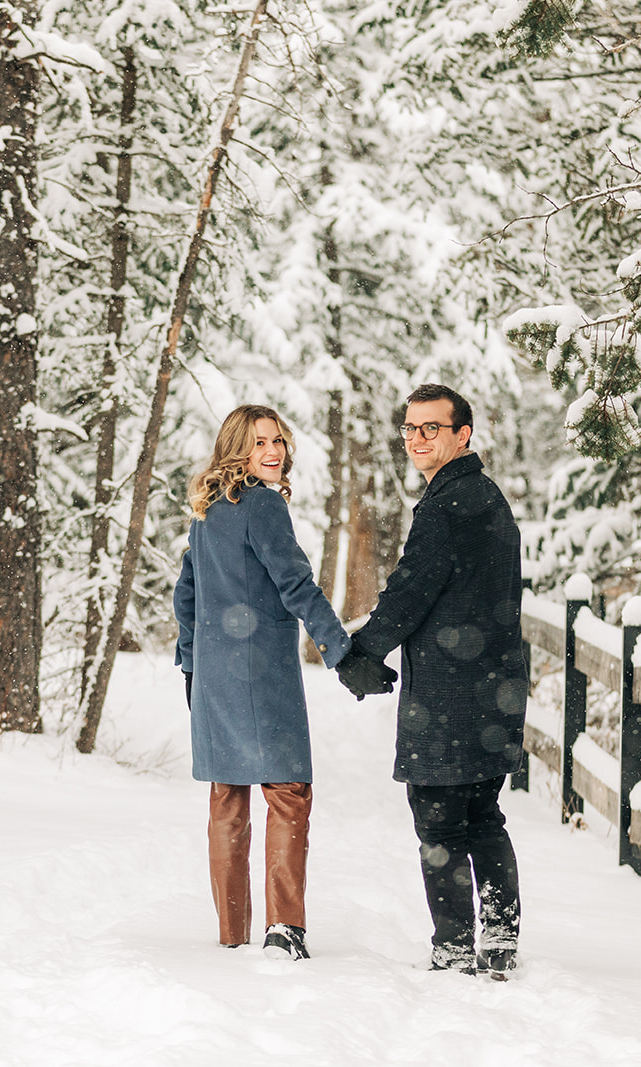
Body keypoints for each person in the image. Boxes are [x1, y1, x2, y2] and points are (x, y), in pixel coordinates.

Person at [336, 383, 527, 979]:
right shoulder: (484, 497)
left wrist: (360, 654)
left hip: (453, 693)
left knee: (440, 820)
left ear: (462, 434)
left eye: (431, 429)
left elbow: (411, 590)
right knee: (481, 816)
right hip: (492, 688)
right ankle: (497, 940)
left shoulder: (449, 505)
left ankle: (454, 947)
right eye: (410, 429)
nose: (417, 439)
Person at [174, 404, 361, 961]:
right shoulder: (261, 505)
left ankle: (233, 931)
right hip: (261, 674)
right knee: (288, 794)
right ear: (238, 449)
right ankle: (283, 928)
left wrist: (191, 667)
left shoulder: (206, 512)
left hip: (214, 674)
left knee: (228, 795)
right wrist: (340, 650)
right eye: (259, 443)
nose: (273, 452)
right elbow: (297, 585)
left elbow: (185, 599)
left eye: (277, 441)